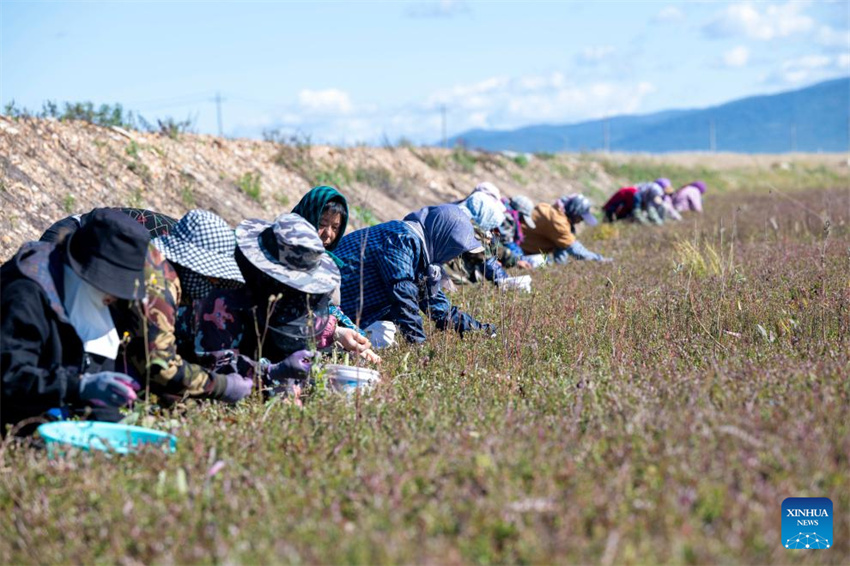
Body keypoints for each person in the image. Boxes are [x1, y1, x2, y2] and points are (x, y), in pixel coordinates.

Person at [42, 208, 255, 406]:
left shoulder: (155, 263)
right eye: (211, 277)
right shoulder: (159, 287)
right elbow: (161, 368)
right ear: (194, 267)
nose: (213, 285)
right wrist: (222, 386)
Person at [1, 209, 149, 435]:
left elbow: (96, 380)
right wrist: (78, 386)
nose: (116, 296)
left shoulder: (95, 297)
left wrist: (112, 431)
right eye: (113, 286)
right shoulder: (26, 294)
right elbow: (10, 378)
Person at [184, 213, 341, 399]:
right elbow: (214, 369)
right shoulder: (222, 300)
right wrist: (272, 372)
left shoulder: (288, 306)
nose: (295, 294)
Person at [335, 204, 496, 345]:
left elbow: (438, 308)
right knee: (383, 337)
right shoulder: (401, 240)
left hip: (348, 311)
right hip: (332, 310)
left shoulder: (423, 258)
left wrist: (481, 331)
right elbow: (402, 294)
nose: (453, 257)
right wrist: (419, 345)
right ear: (444, 240)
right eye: (454, 249)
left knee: (384, 334)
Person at [291, 185, 380, 363]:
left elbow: (331, 308)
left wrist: (357, 336)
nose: (328, 234)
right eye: (322, 224)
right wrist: (335, 332)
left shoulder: (327, 263)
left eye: (335, 227)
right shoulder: (287, 255)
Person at [521, 195, 610, 264]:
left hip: (523, 248)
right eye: (580, 217)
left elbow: (562, 246)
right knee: (547, 262)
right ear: (574, 213)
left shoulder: (549, 209)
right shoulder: (558, 223)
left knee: (560, 247)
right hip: (521, 253)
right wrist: (600, 260)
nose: (580, 221)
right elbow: (577, 251)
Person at [603, 178, 671, 224]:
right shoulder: (657, 189)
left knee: (616, 213)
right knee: (633, 213)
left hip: (631, 194)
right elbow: (649, 208)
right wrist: (650, 225)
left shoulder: (651, 186)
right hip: (633, 194)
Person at [497, 195, 536, 270]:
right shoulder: (508, 218)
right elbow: (506, 242)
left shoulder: (504, 210)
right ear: (519, 212)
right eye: (522, 217)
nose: (522, 221)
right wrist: (518, 260)